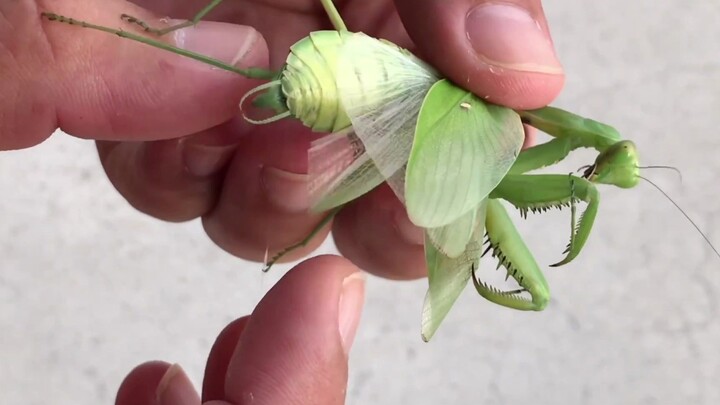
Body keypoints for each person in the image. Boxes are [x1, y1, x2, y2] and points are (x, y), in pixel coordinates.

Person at [1, 0, 564, 403]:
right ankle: (125, 34)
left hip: (356, 84)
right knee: (285, 130)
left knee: (298, 139)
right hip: (354, 86)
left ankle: (136, 34)